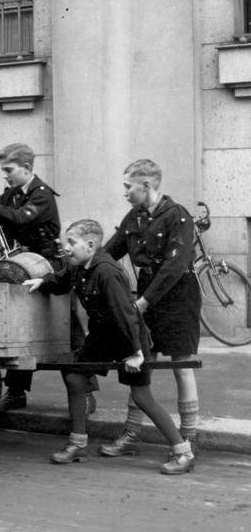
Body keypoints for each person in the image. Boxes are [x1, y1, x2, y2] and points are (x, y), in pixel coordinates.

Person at [24, 219, 195, 474]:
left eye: (71, 242)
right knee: (74, 376)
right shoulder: (79, 266)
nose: (66, 247)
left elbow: (125, 315)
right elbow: (61, 281)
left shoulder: (107, 271)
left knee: (142, 397)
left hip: (128, 337)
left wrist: (136, 353)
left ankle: (183, 451)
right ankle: (77, 443)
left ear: (91, 245)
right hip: (102, 337)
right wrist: (42, 283)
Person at [100, 159, 201, 456]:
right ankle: (132, 433)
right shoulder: (135, 217)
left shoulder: (178, 216)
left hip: (178, 295)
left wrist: (143, 302)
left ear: (146, 186)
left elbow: (174, 266)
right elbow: (109, 252)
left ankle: (188, 437)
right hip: (147, 292)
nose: (125, 193)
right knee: (140, 360)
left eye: (127, 187)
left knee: (180, 365)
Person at [0, 143, 92, 413]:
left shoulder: (41, 195)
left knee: (67, 330)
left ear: (27, 168)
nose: (4, 175)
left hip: (53, 266)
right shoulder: (13, 194)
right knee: (20, 326)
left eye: (9, 170)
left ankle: (84, 393)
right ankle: (17, 392)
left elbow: (18, 219)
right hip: (27, 264)